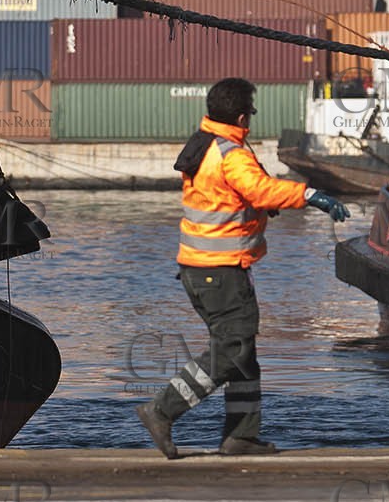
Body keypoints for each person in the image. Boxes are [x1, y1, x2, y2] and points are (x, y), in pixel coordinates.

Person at [135, 77, 350, 459]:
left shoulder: (204, 143)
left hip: (199, 268)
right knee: (232, 350)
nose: (250, 119)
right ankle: (162, 409)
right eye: (250, 112)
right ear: (240, 115)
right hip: (220, 270)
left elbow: (230, 195)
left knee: (244, 355)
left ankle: (240, 437)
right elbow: (260, 189)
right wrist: (310, 194)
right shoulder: (231, 153)